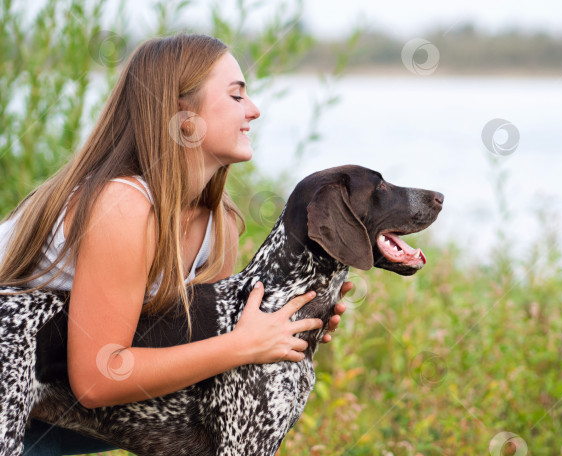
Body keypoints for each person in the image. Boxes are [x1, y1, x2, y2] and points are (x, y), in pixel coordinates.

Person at [0, 33, 349, 455]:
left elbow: (197, 356)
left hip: (50, 388)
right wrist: (241, 344)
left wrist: (287, 324)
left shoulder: (219, 226)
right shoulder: (124, 206)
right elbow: (97, 379)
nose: (254, 110)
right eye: (237, 95)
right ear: (185, 116)